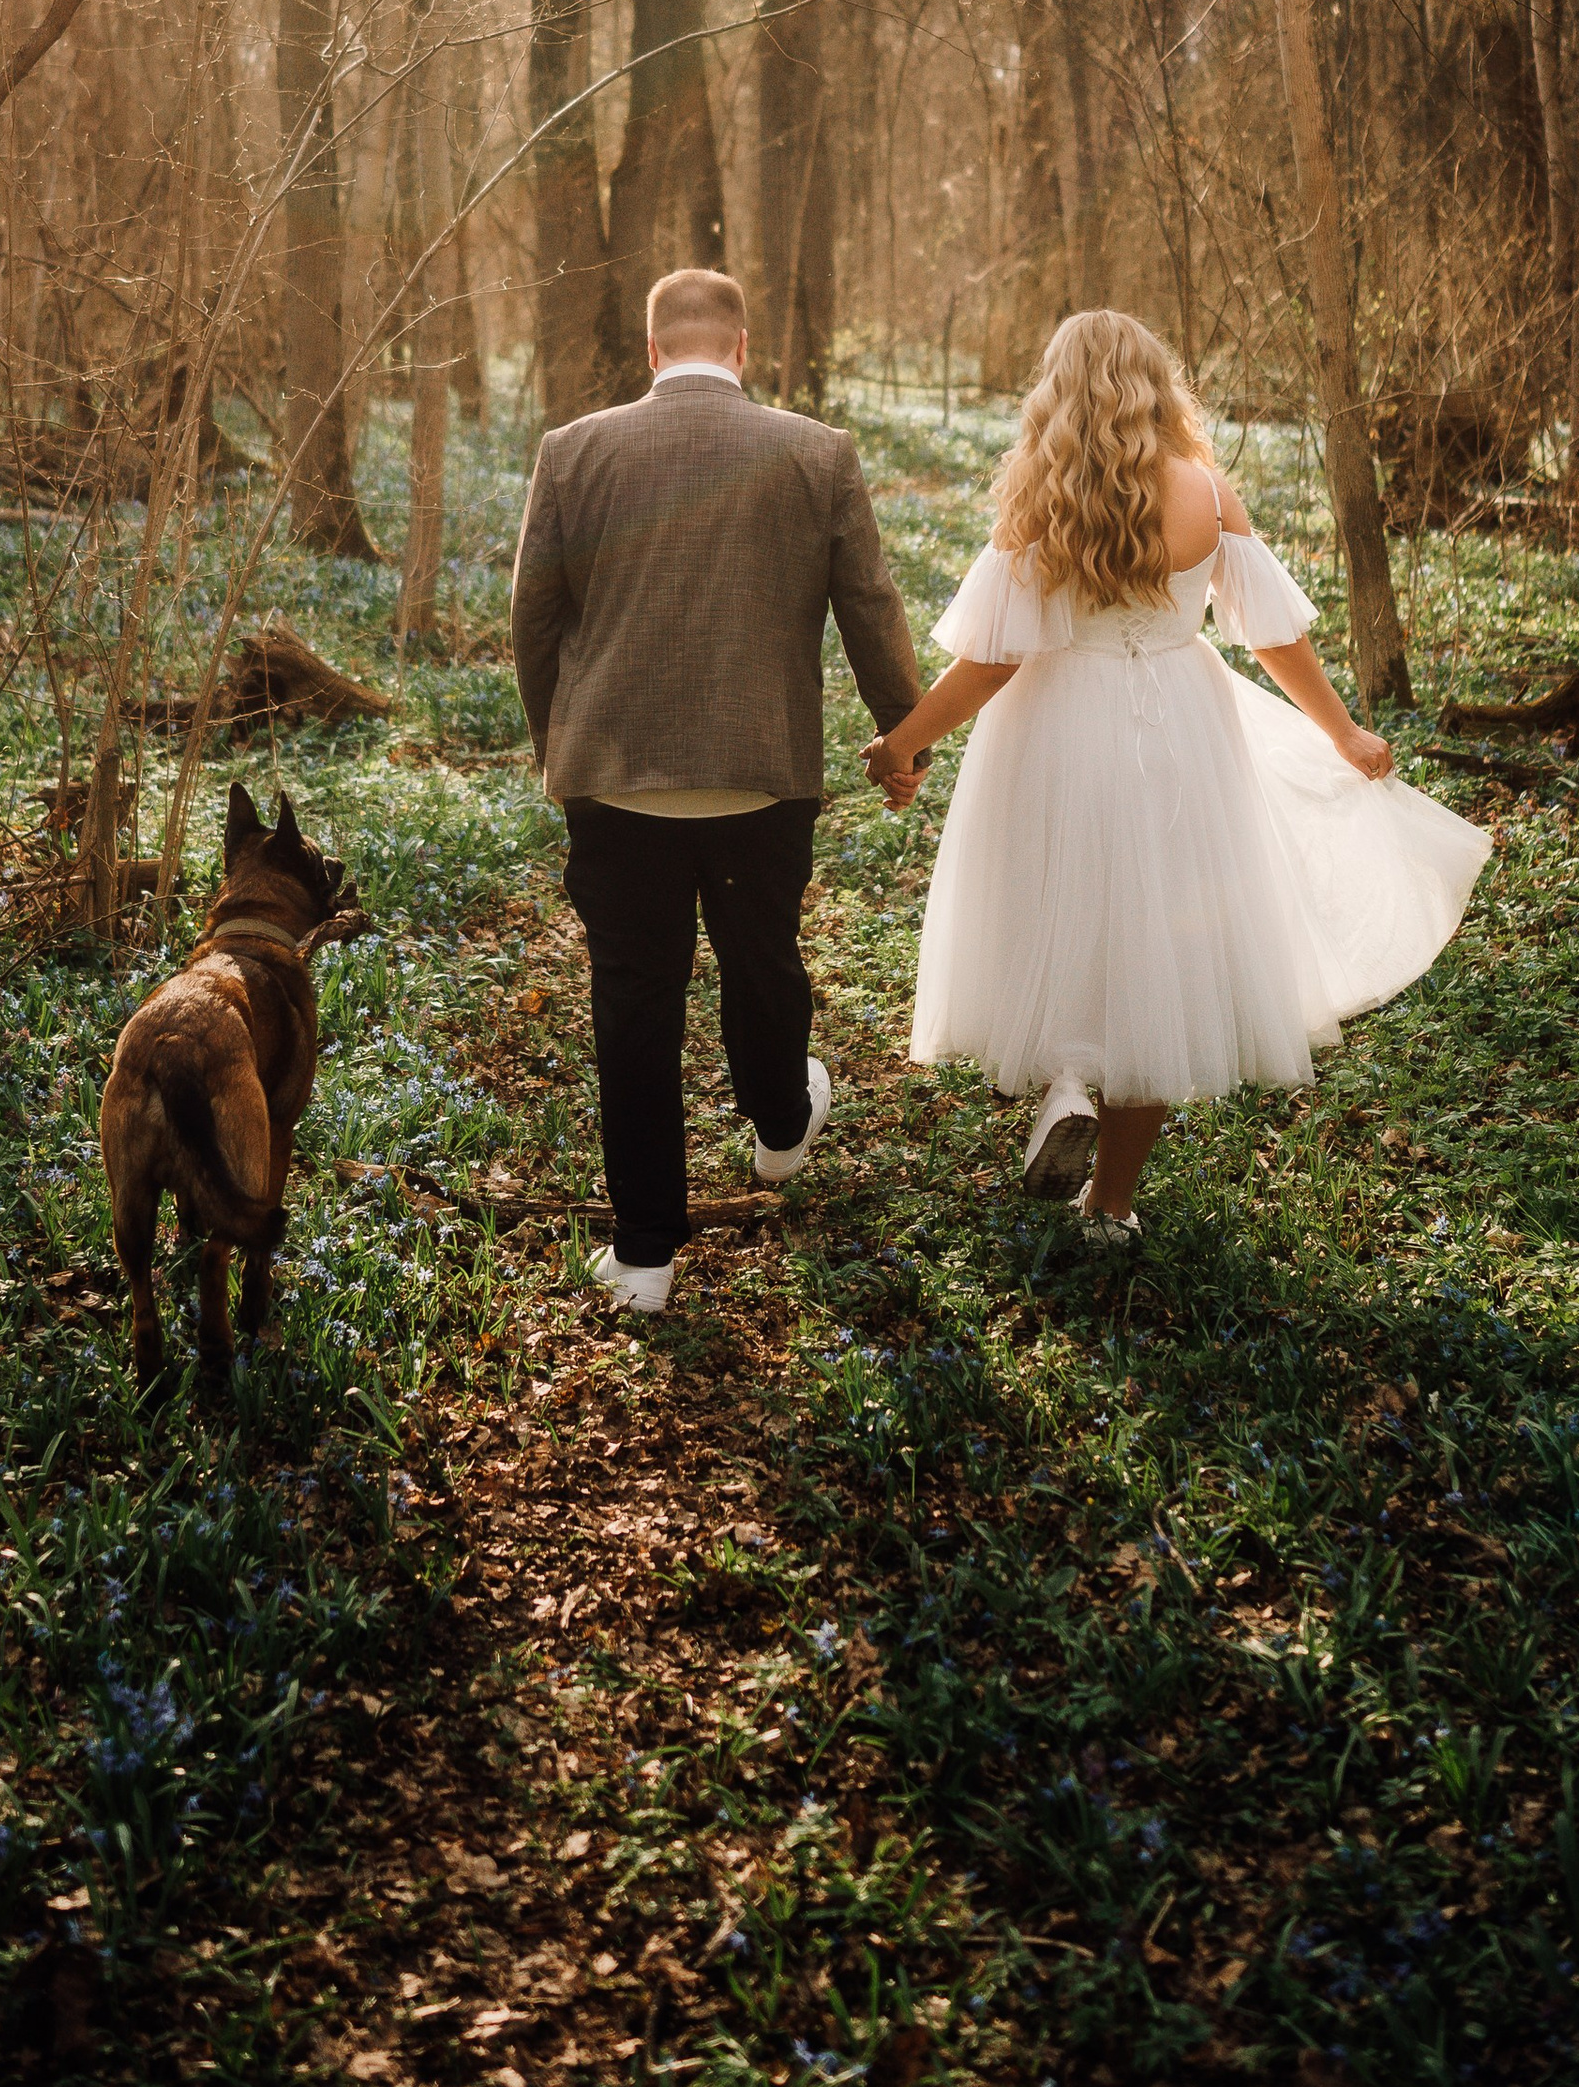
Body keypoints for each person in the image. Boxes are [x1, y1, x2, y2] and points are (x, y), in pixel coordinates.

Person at [864, 309, 1488, 1241]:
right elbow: (1274, 633)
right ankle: (1110, 1206)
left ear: (1056, 391)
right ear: (1159, 385)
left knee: (1059, 908)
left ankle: (1069, 1080)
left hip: (1055, 728)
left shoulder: (1040, 501)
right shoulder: (1203, 489)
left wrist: (907, 741)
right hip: (1179, 728)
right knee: (1161, 940)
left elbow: (990, 665)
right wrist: (1345, 732)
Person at [510, 265, 921, 1313]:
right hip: (759, 774)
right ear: (742, 348)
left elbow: (534, 619)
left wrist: (556, 743)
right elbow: (868, 605)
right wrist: (901, 735)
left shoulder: (572, 451)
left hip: (615, 779)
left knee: (633, 1007)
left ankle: (645, 1259)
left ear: (653, 353)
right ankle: (781, 1127)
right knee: (762, 963)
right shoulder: (816, 452)